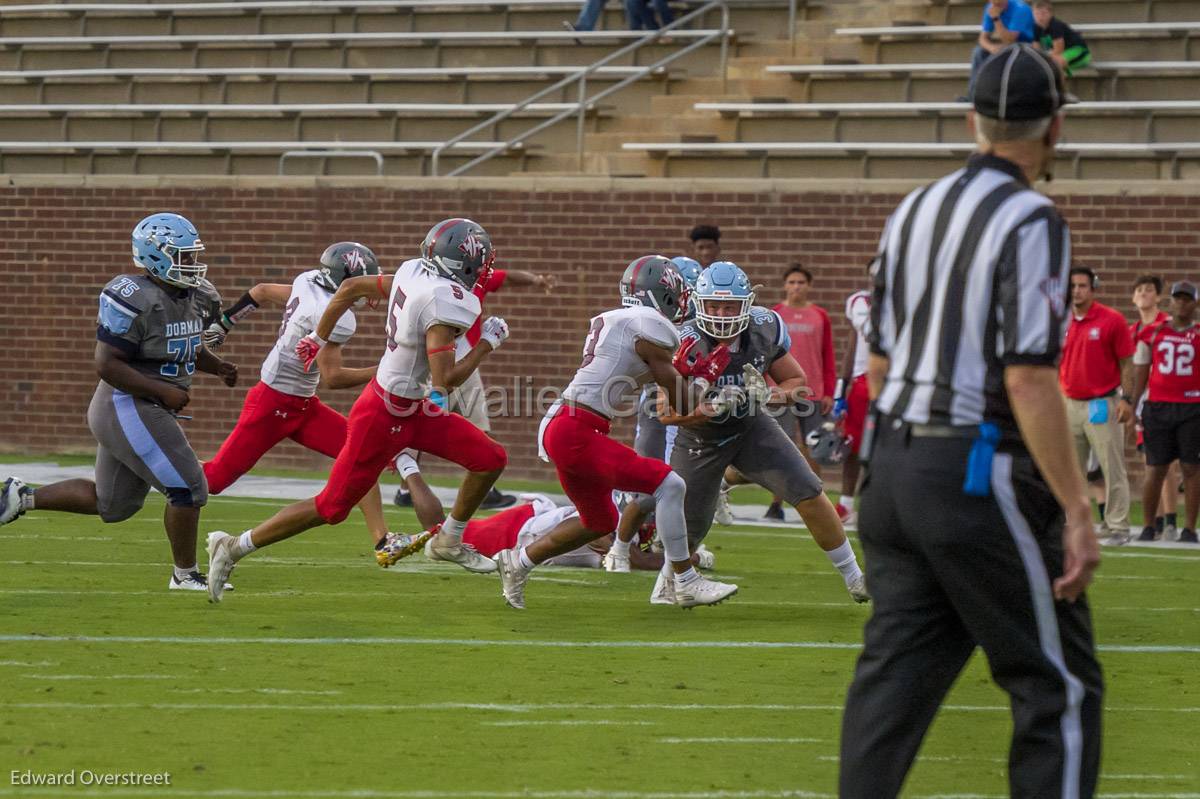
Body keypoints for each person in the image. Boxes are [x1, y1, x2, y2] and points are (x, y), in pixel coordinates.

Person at [839, 45, 1103, 798]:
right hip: (973, 471)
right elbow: (1026, 374)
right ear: (1054, 127)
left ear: (971, 119)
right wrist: (1078, 509)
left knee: (892, 688)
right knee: (1061, 685)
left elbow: (881, 361)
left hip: (892, 467)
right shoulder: (1031, 219)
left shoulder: (913, 209)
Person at [204, 218, 511, 602]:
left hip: (412, 409)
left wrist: (318, 337)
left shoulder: (413, 271)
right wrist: (488, 344)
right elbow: (445, 380)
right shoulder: (444, 302)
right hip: (383, 415)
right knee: (331, 507)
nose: (483, 267)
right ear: (463, 261)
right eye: (480, 261)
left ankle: (449, 537)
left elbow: (349, 287)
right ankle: (233, 547)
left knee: (491, 458)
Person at [0, 212, 240, 591]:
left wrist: (217, 366)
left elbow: (184, 347)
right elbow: (107, 363)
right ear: (155, 256)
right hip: (126, 402)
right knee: (188, 487)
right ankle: (185, 575)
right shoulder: (133, 295)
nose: (192, 264)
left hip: (146, 405)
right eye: (183, 256)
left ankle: (20, 497)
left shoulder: (201, 296)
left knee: (114, 505)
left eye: (192, 255)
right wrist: (162, 391)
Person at [493, 255, 737, 610]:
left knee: (599, 520)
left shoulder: (615, 320)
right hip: (577, 430)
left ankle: (518, 562)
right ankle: (685, 581)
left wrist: (686, 373)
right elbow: (683, 403)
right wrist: (703, 379)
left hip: (565, 424)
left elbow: (662, 382)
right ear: (663, 293)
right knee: (670, 484)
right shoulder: (652, 327)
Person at [661, 261, 869, 604]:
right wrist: (709, 408)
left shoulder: (764, 326)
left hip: (750, 425)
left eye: (729, 306)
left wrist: (768, 395)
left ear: (747, 305)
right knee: (689, 525)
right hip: (700, 438)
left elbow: (797, 383)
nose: (721, 314)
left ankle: (855, 577)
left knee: (808, 489)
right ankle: (669, 584)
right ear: (699, 303)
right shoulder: (684, 340)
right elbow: (666, 412)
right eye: (713, 305)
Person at [199, 242, 393, 544]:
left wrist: (225, 322)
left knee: (361, 454)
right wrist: (386, 368)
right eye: (361, 280)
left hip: (303, 405)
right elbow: (334, 378)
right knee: (213, 480)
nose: (367, 287)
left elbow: (261, 291)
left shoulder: (308, 282)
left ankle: (382, 540)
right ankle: (155, 461)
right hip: (272, 404)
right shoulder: (333, 315)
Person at [392, 261, 557, 512]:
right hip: (444, 360)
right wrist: (487, 342)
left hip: (458, 362)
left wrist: (536, 279)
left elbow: (508, 277)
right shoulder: (438, 287)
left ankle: (410, 488)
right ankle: (413, 488)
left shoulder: (475, 279)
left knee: (464, 423)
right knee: (434, 425)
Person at [1060, 265, 1135, 544]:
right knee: (1071, 470)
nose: (1076, 291)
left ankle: (1117, 526)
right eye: (1072, 286)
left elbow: (1127, 363)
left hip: (1101, 402)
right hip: (1069, 403)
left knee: (1111, 465)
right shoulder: (1060, 320)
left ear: (1093, 289)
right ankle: (1078, 524)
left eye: (1082, 286)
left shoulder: (1111, 320)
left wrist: (1127, 399)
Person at [1132, 281, 1200, 544]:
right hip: (1158, 406)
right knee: (1155, 468)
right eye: (1177, 298)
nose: (1182, 303)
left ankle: (1189, 528)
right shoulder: (1154, 332)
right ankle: (1149, 526)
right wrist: (1133, 402)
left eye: (1187, 299)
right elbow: (1140, 370)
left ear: (1195, 303)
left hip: (1192, 406)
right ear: (1170, 302)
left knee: (1191, 468)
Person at [768, 263, 836, 520]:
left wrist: (829, 391)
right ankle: (776, 504)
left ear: (809, 286)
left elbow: (827, 356)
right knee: (780, 447)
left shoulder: (820, 316)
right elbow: (766, 354)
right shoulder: (775, 314)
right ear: (785, 285)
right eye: (792, 282)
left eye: (801, 282)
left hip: (813, 393)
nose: (796, 287)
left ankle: (817, 504)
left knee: (814, 447)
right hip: (780, 391)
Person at [1129, 274, 1178, 541]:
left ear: (1158, 297)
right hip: (1144, 403)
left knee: (1167, 463)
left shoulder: (1167, 326)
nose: (1144, 294)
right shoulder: (1133, 331)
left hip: (1168, 401)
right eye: (1139, 290)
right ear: (1133, 297)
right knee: (1150, 461)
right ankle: (1156, 520)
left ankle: (1171, 520)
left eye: (1149, 290)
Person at [831, 282, 872, 525]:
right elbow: (853, 344)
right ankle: (846, 504)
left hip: (892, 381)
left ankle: (876, 503)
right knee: (852, 446)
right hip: (861, 381)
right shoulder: (859, 302)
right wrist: (840, 390)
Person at [966, 0, 1036, 101]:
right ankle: (973, 96)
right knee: (978, 52)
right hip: (1006, 44)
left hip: (1026, 45)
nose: (995, 4)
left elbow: (1010, 39)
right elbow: (982, 38)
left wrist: (996, 18)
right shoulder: (991, 7)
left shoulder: (1021, 9)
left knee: (1008, 52)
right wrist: (991, 48)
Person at [1033, 0, 1092, 77]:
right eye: (1036, 14)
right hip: (1062, 53)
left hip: (1078, 52)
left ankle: (1061, 87)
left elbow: (1058, 50)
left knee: (1054, 63)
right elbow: (1036, 49)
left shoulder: (1055, 26)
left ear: (1050, 14)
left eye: (1043, 13)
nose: (1040, 17)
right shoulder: (1036, 27)